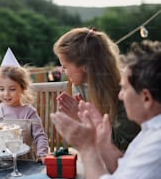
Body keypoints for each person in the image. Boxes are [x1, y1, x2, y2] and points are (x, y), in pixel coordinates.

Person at [50, 51, 161, 179]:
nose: (121, 95)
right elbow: (123, 169)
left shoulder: (156, 143)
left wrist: (87, 148)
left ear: (146, 98)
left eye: (125, 89)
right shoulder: (150, 130)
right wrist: (102, 143)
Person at [53, 27, 140, 170]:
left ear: (85, 67)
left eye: (65, 66)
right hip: (102, 159)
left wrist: (86, 120)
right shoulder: (81, 86)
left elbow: (124, 146)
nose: (62, 71)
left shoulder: (124, 91)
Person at [0, 48, 49, 163]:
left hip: (25, 163)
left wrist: (42, 153)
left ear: (22, 88)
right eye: (1, 89)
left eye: (12, 89)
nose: (6, 94)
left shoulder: (29, 112)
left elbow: (40, 136)